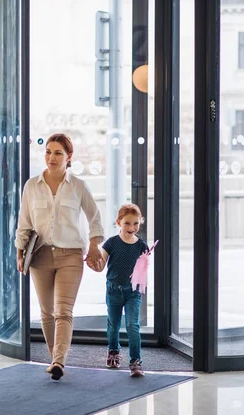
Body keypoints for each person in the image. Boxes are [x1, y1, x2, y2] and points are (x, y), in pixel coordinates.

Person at [15, 133, 105, 381]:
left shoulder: (77, 186)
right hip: (40, 256)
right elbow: (24, 222)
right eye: (48, 152)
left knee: (63, 311)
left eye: (57, 153)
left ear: (69, 157)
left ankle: (58, 361)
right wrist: (19, 252)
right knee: (46, 312)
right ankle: (53, 357)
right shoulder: (31, 186)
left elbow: (95, 218)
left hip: (71, 257)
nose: (51, 158)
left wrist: (95, 244)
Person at [89, 203, 148, 377]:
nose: (132, 227)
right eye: (127, 223)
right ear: (119, 222)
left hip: (133, 292)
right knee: (113, 324)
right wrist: (93, 264)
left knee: (132, 325)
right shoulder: (111, 243)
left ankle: (135, 362)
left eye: (136, 223)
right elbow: (100, 266)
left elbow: (142, 272)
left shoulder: (141, 246)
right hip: (114, 290)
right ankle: (113, 351)